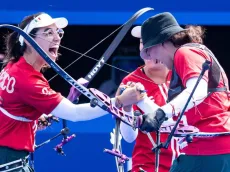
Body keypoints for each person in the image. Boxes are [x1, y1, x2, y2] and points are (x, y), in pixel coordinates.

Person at [0, 12, 144, 172]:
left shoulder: (14, 67)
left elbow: (14, 111)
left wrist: (69, 98)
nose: (57, 38)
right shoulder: (27, 79)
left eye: (58, 33)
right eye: (48, 32)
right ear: (27, 39)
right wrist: (119, 101)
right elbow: (75, 114)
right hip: (10, 163)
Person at [139, 12, 230, 172]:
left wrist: (160, 113)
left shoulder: (184, 53)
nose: (151, 58)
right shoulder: (193, 54)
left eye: (149, 50)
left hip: (208, 150)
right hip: (215, 148)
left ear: (161, 42)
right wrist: (143, 104)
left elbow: (198, 90)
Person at [116, 25, 184, 172]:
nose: (151, 51)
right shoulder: (129, 83)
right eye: (144, 43)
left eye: (157, 44)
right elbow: (129, 138)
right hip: (148, 167)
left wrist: (144, 101)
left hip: (186, 165)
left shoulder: (186, 76)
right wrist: (127, 107)